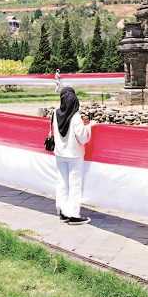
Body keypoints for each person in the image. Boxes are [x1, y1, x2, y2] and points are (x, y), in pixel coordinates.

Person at [50, 86, 94, 225]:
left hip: (59, 154)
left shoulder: (55, 114)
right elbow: (83, 138)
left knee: (62, 182)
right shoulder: (75, 117)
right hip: (74, 155)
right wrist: (89, 126)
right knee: (75, 184)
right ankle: (74, 214)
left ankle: (62, 211)